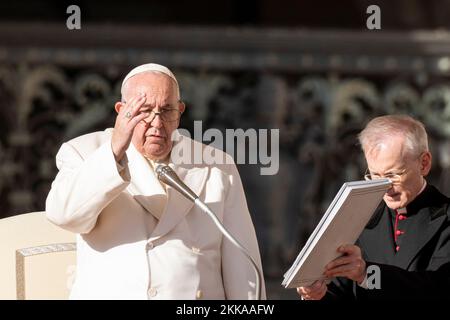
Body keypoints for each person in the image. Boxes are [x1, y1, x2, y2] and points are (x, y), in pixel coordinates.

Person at [45, 63, 266, 300]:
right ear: (121, 111)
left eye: (167, 110)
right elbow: (63, 215)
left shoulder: (216, 165)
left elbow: (243, 270)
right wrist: (114, 152)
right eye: (144, 110)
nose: (157, 123)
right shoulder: (84, 152)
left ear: (180, 112)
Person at [297, 115, 450, 300]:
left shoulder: (446, 218)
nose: (385, 187)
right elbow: (344, 293)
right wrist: (318, 295)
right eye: (375, 175)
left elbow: (438, 287)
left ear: (424, 164)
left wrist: (367, 274)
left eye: (393, 175)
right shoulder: (362, 219)